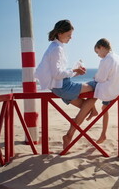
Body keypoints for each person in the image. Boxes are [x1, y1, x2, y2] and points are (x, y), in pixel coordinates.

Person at [35, 19, 98, 150]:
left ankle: (69, 135)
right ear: (60, 33)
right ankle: (72, 132)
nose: (71, 38)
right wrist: (74, 70)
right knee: (97, 87)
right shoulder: (56, 49)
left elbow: (59, 73)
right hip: (63, 87)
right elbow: (58, 73)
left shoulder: (56, 47)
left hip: (61, 86)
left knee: (86, 107)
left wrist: (76, 73)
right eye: (69, 35)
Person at [87, 38, 119, 144]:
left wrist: (95, 78)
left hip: (108, 88)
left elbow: (101, 78)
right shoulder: (118, 57)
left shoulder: (106, 60)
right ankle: (103, 134)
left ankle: (92, 110)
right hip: (117, 88)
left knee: (87, 86)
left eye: (97, 52)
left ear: (101, 47)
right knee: (104, 108)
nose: (98, 55)